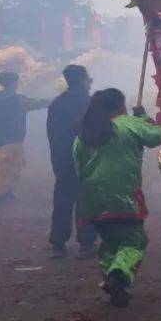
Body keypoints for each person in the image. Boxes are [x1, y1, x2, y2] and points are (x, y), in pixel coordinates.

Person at [73, 89, 161, 308]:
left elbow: (77, 166)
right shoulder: (129, 124)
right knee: (135, 240)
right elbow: (158, 135)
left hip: (92, 198)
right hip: (123, 195)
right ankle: (119, 275)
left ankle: (115, 286)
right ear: (120, 106)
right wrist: (142, 117)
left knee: (110, 242)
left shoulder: (84, 133)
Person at [46, 64, 97, 259]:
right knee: (86, 200)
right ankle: (86, 242)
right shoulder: (91, 103)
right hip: (87, 159)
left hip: (62, 159)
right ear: (83, 80)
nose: (90, 83)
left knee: (63, 200)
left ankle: (58, 242)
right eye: (89, 79)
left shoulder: (57, 103)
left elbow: (51, 135)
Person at [0, 71, 51, 202]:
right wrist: (56, 100)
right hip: (14, 137)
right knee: (12, 167)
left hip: (1, 138)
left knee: (3, 165)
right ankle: (3, 194)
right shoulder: (17, 99)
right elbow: (37, 103)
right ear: (13, 83)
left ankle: (1, 193)